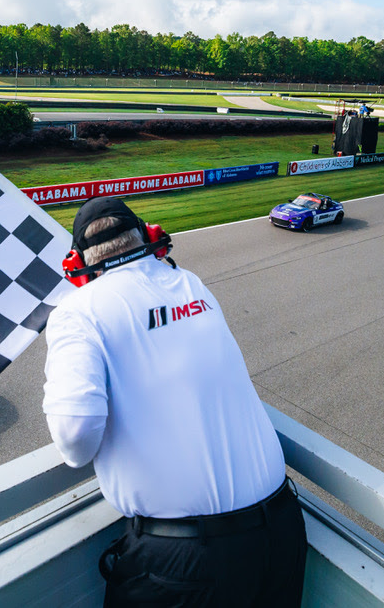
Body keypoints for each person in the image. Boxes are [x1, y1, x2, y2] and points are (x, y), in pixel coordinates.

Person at [43, 197, 307, 607]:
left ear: (77, 264)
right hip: (283, 529)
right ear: (149, 236)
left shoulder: (77, 311)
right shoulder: (189, 283)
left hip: (186, 561)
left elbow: (74, 439)